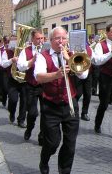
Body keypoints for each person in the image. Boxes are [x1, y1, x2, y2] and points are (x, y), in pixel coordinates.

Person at [34, 27, 89, 174]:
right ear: (50, 40)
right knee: (52, 143)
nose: (61, 41)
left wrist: (68, 59)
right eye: (58, 38)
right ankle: (44, 160)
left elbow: (83, 75)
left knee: (70, 144)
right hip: (51, 105)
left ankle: (64, 170)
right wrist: (55, 75)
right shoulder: (42, 56)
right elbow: (38, 77)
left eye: (64, 38)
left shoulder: (73, 55)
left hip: (70, 104)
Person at [17, 29, 45, 143]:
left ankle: (42, 136)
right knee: (33, 112)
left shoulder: (46, 50)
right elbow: (20, 66)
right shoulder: (26, 51)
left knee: (46, 112)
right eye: (38, 39)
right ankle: (29, 129)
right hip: (31, 86)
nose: (40, 41)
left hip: (44, 86)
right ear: (32, 39)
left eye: (42, 38)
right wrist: (32, 61)